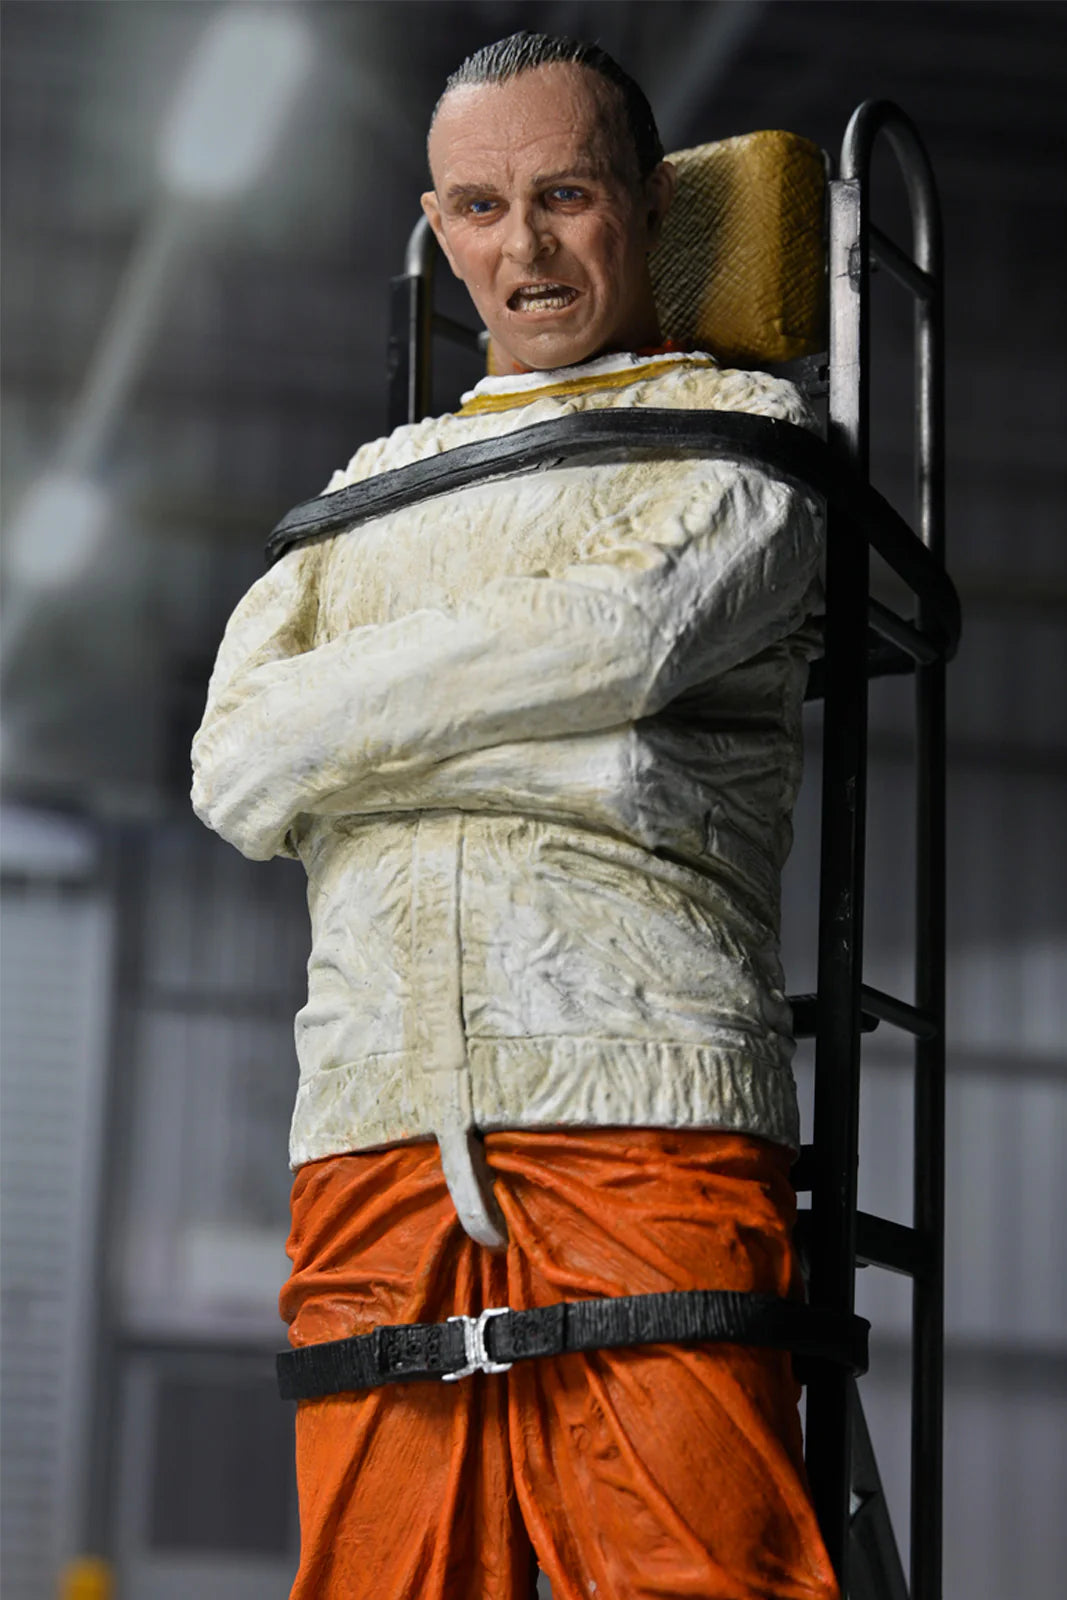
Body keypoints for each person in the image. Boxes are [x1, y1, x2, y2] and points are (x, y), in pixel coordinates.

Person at [192, 29, 838, 1600]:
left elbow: (624, 637)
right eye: (481, 209)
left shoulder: (742, 448)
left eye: (566, 195)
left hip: (640, 1082)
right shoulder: (368, 491)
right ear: (439, 222)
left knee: (699, 1576)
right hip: (370, 1117)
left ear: (651, 201)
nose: (525, 250)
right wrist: (594, 765)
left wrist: (362, 752)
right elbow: (235, 769)